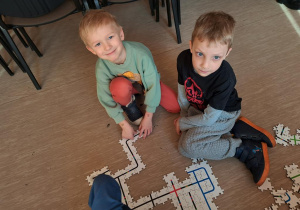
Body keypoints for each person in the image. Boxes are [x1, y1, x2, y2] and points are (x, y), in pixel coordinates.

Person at [174, 11, 276, 186]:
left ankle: (243, 147)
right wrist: (185, 116)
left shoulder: (225, 77)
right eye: (199, 54)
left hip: (222, 113)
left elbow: (210, 118)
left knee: (187, 148)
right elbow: (182, 91)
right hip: (199, 108)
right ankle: (239, 127)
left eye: (216, 57)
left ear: (227, 53)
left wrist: (183, 123)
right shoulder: (183, 59)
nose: (205, 65)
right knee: (187, 137)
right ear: (191, 46)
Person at [79, 10, 180, 140]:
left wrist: (149, 117)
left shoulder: (140, 55)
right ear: (92, 50)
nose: (107, 47)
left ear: (121, 34)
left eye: (110, 37)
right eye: (98, 44)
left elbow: (152, 83)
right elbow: (105, 98)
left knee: (176, 107)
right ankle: (129, 105)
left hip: (146, 83)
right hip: (125, 88)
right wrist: (123, 125)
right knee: (118, 86)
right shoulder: (101, 68)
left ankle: (138, 96)